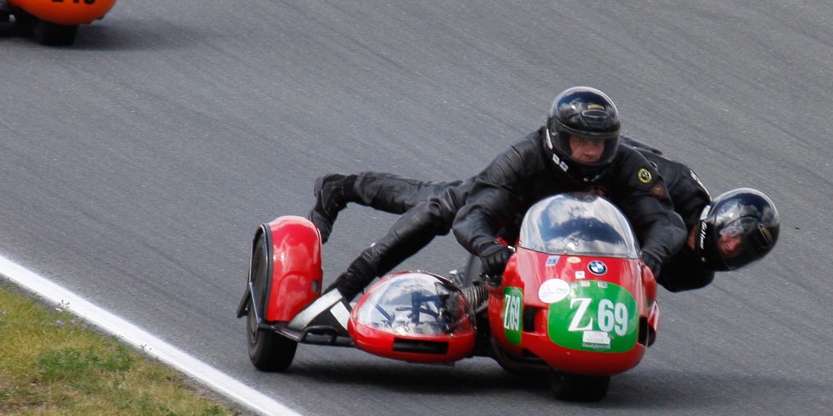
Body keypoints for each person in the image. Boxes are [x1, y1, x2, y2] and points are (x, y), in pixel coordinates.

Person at [290, 88, 688, 329]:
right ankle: (343, 283)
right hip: (509, 226)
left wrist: (650, 257)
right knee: (438, 206)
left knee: (440, 196)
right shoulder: (523, 158)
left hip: (574, 244)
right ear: (558, 139)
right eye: (580, 142)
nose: (591, 152)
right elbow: (472, 219)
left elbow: (667, 222)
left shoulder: (628, 165)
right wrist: (488, 247)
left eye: (599, 143)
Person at [307, 136, 779, 296]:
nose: (729, 249)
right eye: (731, 237)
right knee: (448, 201)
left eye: (740, 252)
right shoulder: (674, 187)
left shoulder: (696, 274)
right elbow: (635, 184)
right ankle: (341, 188)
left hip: (596, 222)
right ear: (716, 218)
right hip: (575, 176)